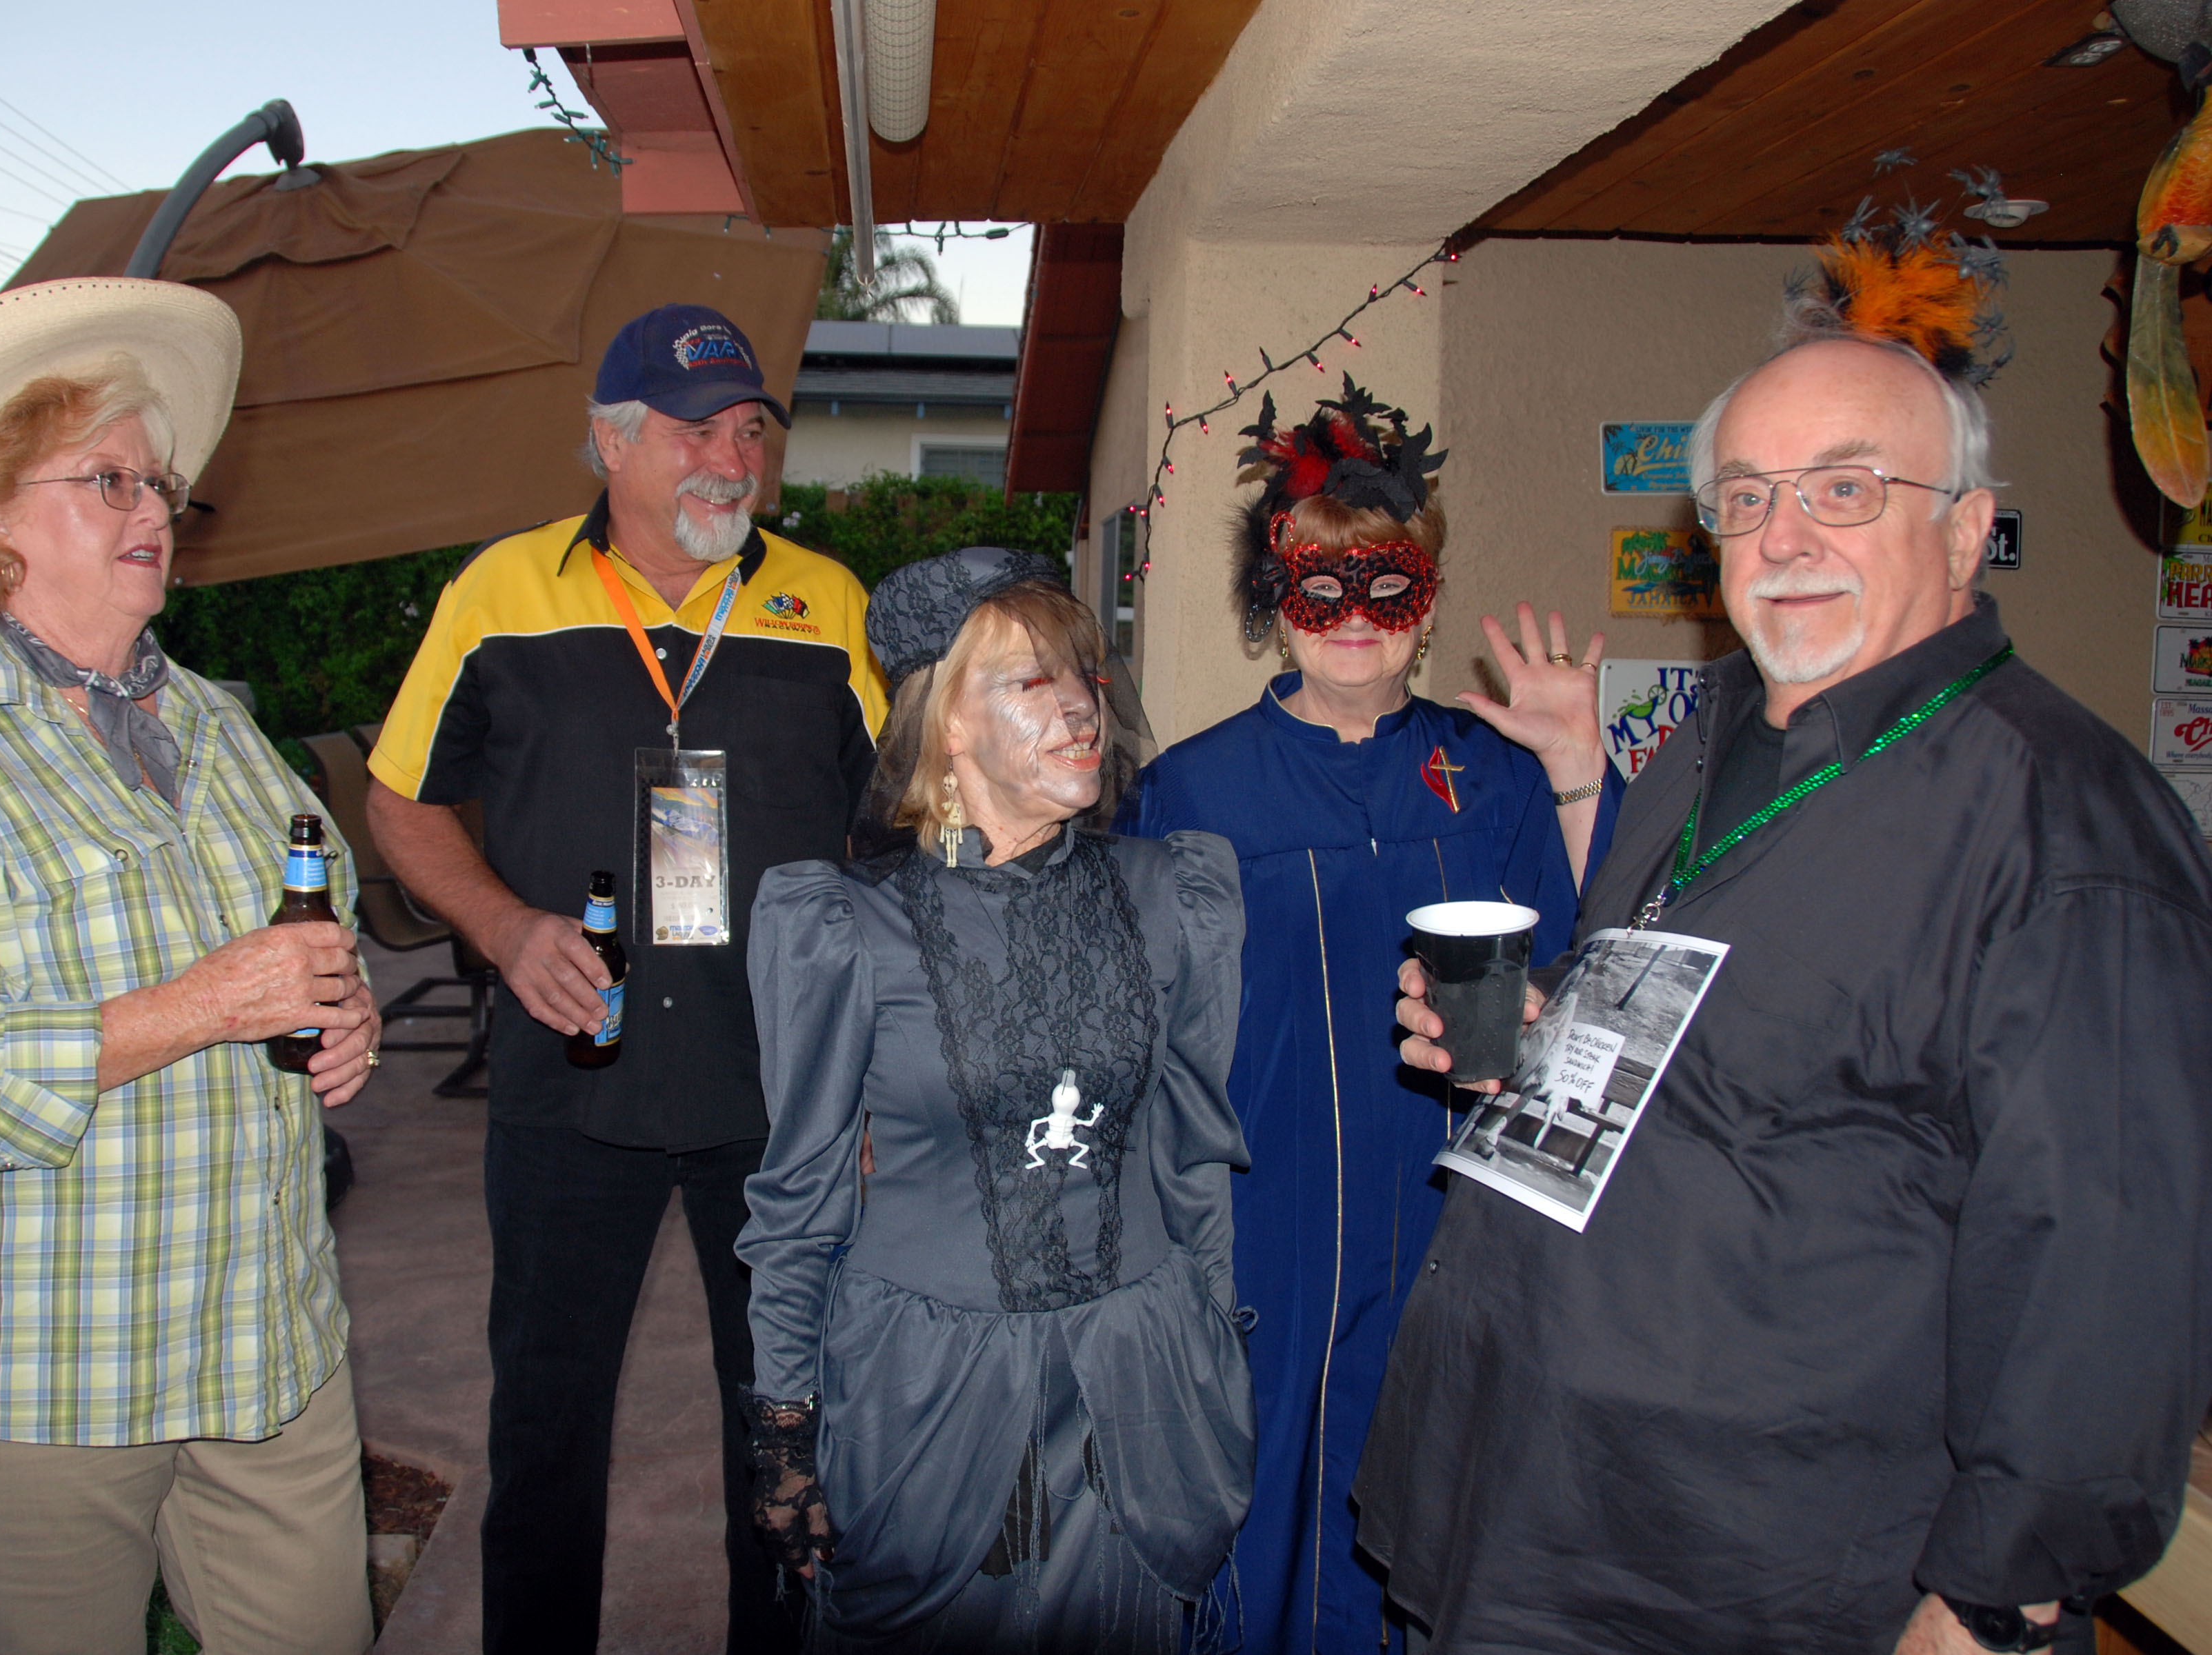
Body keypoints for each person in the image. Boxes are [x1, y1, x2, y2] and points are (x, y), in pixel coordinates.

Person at [1359, 227, 2212, 1654]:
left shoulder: (2064, 826)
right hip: (1528, 1505)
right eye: (1747, 499)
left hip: (1762, 1569)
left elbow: (2109, 1264)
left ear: (1964, 524)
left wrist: (1994, 1601)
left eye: (1845, 489)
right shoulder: (1711, 740)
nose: (1785, 537)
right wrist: (1532, 1037)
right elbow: (1712, 1036)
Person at [0, 278, 383, 1654]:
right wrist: (205, 1004)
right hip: (22, 1376)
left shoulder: (223, 732)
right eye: (106, 479)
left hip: (262, 1349)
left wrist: (335, 1016)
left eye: (161, 484)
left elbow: (318, 924)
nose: (151, 511)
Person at [365, 303, 886, 1651]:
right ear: (610, 442)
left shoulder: (827, 602)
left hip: (774, 1096)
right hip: (568, 1079)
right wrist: (499, 926)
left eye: (750, 428)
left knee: (779, 1432)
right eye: (694, 425)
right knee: (544, 1429)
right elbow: (401, 802)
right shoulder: (502, 592)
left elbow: (891, 840)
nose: (732, 454)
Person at [1112, 380, 1616, 1653]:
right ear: (1274, 601)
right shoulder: (1191, 790)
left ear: (1428, 599)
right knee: (1268, 1523)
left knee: (1442, 1505)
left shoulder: (1492, 770)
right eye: (1318, 584)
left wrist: (1577, 776)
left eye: (1384, 584)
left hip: (1456, 1227)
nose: (1352, 618)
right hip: (1266, 1231)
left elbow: (1598, 964)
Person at [736, 545, 1255, 1652]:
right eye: (1029, 681)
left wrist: (1216, 1349)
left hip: (1142, 1390)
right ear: (947, 729)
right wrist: (784, 1425)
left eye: (1084, 676)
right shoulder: (846, 931)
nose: (1078, 708)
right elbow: (799, 1201)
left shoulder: (1177, 897)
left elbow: (1193, 1157)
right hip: (929, 1402)